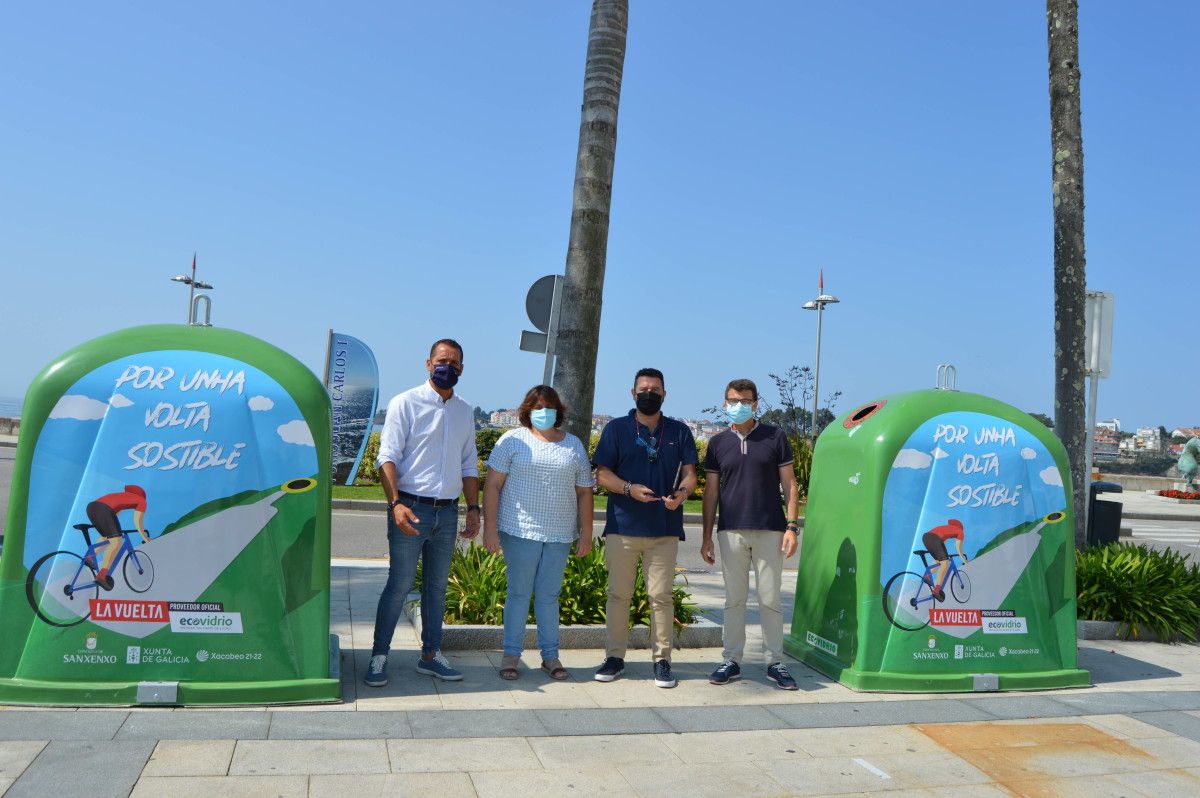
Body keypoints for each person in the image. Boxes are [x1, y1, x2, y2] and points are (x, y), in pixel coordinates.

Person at [365, 339, 480, 688]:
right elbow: (387, 458)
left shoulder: (464, 410)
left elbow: (468, 464)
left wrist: (473, 509)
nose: (449, 367)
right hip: (410, 508)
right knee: (399, 585)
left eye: (455, 363)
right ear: (428, 364)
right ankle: (378, 656)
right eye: (443, 361)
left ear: (462, 368)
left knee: (436, 588)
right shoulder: (405, 402)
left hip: (447, 513)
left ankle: (430, 656)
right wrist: (395, 504)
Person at [591, 367, 698, 688]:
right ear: (633, 393)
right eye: (643, 389)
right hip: (623, 528)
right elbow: (602, 475)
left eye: (654, 389)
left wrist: (682, 494)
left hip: (664, 529)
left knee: (661, 597)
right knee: (618, 595)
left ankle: (662, 660)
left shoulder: (679, 432)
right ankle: (614, 657)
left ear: (664, 394)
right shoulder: (616, 429)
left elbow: (691, 474)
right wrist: (628, 489)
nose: (648, 394)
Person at [482, 385, 595, 681]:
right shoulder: (512, 440)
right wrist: (489, 529)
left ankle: (550, 656)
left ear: (558, 411)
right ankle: (511, 654)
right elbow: (492, 485)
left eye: (549, 407)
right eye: (537, 407)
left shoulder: (573, 445)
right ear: (527, 411)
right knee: (518, 594)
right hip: (519, 530)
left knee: (549, 596)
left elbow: (585, 492)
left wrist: (586, 533)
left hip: (559, 533)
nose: (543, 412)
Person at [701, 379, 801, 690]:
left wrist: (792, 527)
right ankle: (731, 659)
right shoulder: (717, 444)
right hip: (731, 531)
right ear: (724, 402)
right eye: (732, 400)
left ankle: (776, 662)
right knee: (734, 600)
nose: (737, 405)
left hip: (771, 530)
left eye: (744, 400)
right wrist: (706, 536)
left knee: (770, 600)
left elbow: (790, 485)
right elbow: (711, 492)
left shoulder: (775, 436)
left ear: (756, 403)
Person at [85, 484, 151, 590]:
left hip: (92, 508)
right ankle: (102, 575)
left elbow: (113, 516)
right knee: (116, 542)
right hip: (103, 509)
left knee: (107, 537)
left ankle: (89, 557)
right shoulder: (142, 501)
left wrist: (115, 531)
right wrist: (145, 537)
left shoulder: (121, 497)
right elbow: (137, 521)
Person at [923, 519, 968, 600]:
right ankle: (937, 590)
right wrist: (964, 560)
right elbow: (958, 548)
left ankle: (927, 576)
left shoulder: (946, 529)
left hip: (926, 537)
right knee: (945, 563)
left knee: (938, 560)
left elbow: (941, 546)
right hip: (934, 538)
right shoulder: (960, 532)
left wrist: (944, 556)